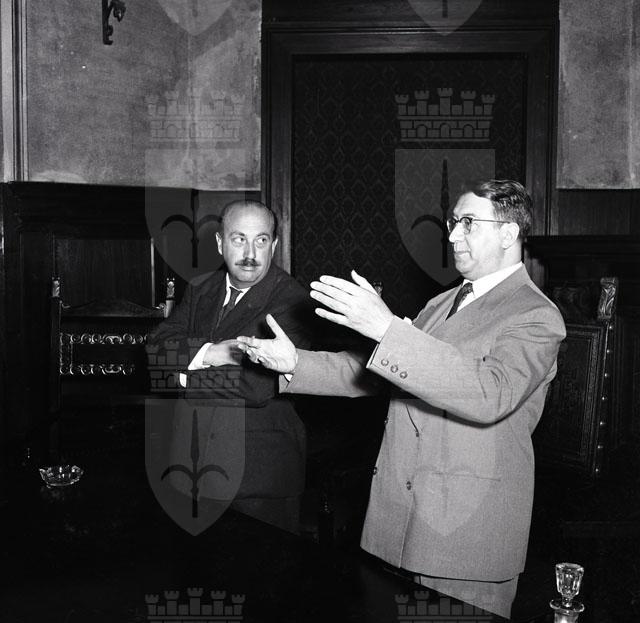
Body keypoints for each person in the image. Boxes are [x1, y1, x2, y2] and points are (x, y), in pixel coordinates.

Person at [236, 180, 566, 618]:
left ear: (509, 234)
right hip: (400, 523)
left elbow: (491, 393)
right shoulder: (442, 302)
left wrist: (387, 329)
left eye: (468, 223)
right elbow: (381, 375)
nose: (452, 235)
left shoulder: (535, 314)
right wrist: (295, 363)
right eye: (453, 222)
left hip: (465, 535)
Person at [147, 199, 314, 533]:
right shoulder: (201, 288)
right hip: (191, 467)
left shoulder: (293, 301)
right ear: (220, 243)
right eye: (239, 239)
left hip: (258, 476)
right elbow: (155, 349)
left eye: (261, 240)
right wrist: (211, 353)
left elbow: (256, 386)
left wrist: (180, 377)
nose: (250, 253)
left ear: (274, 245)